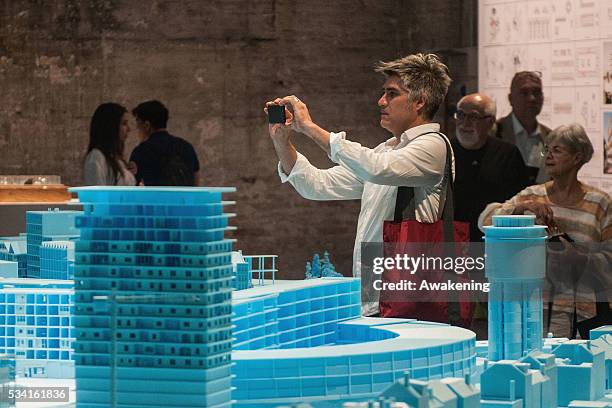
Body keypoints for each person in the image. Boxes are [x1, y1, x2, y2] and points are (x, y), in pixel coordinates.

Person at [265, 53, 453, 316]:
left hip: (412, 296)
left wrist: (309, 127)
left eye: (391, 94)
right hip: (376, 297)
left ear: (419, 101)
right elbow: (317, 185)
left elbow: (376, 169)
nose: (381, 101)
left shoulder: (433, 144)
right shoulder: (387, 150)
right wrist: (282, 142)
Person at [480, 123, 612, 338]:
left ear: (578, 157)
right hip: (533, 306)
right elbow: (486, 220)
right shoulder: (532, 195)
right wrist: (520, 207)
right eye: (546, 149)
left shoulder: (600, 203)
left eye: (557, 150)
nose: (548, 155)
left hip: (581, 313)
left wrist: (582, 260)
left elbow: (609, 255)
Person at [452, 93, 529, 242]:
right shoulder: (444, 150)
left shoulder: (508, 154)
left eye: (473, 117)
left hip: (494, 239)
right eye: (460, 115)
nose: (465, 123)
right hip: (449, 242)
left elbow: (520, 201)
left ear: (490, 122)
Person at [496, 71, 551, 185]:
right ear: (511, 99)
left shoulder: (550, 137)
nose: (532, 98)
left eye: (537, 92)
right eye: (524, 93)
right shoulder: (494, 132)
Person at [129, 100, 200, 186]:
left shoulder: (141, 151)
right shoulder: (186, 147)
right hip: (185, 199)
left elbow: (132, 186)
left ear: (147, 125)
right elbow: (196, 183)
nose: (137, 130)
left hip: (155, 199)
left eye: (138, 125)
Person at [83, 103, 136, 186]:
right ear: (111, 126)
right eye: (124, 123)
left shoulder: (116, 158)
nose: (129, 129)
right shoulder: (97, 157)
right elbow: (97, 195)